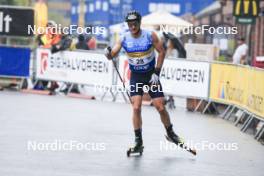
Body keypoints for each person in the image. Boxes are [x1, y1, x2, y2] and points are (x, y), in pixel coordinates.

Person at [104, 10, 183, 151]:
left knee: (160, 106)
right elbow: (112, 54)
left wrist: (157, 73)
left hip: (151, 75)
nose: (132, 27)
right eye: (130, 24)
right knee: (136, 107)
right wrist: (108, 53)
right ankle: (138, 141)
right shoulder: (123, 38)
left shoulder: (150, 35)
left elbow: (162, 52)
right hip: (136, 76)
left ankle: (171, 133)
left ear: (139, 23)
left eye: (135, 24)